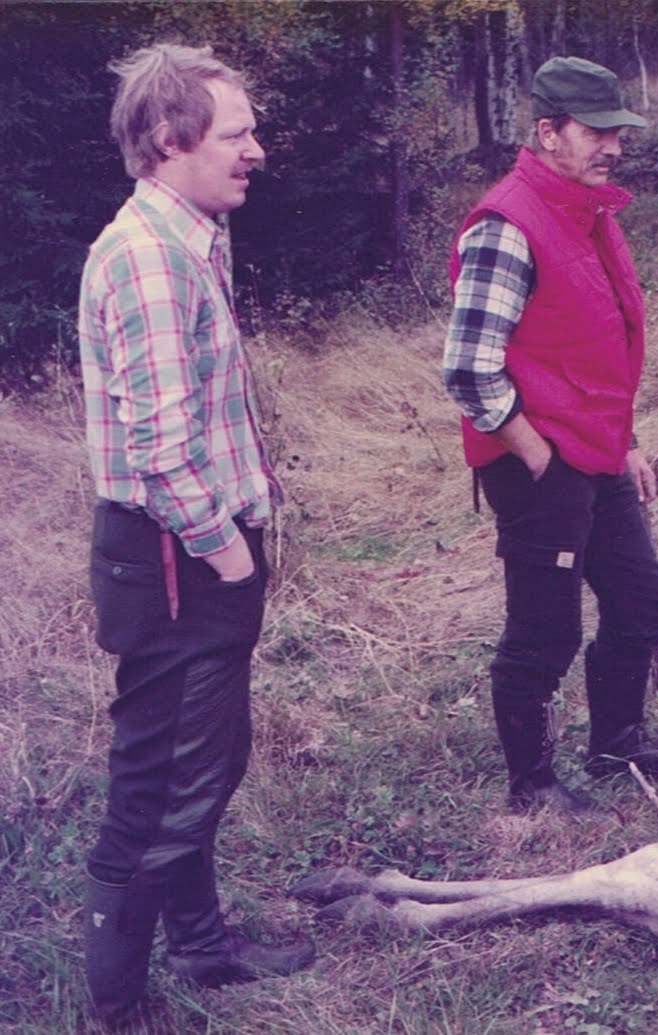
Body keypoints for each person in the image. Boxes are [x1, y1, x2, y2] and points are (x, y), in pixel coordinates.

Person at [77, 43, 314, 1023]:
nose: (257, 149)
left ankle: (204, 946)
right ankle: (117, 1006)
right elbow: (163, 451)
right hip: (178, 559)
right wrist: (230, 554)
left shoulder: (193, 237)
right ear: (171, 140)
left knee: (200, 764)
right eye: (237, 134)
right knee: (160, 784)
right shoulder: (148, 261)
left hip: (189, 555)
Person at [443, 56, 658, 815]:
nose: (613, 146)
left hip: (595, 450)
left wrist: (625, 441)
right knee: (544, 631)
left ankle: (617, 746)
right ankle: (532, 785)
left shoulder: (591, 212)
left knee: (642, 601)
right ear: (548, 133)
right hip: (536, 462)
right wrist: (537, 455)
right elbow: (468, 368)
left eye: (618, 132)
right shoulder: (508, 225)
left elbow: (596, 349)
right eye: (596, 132)